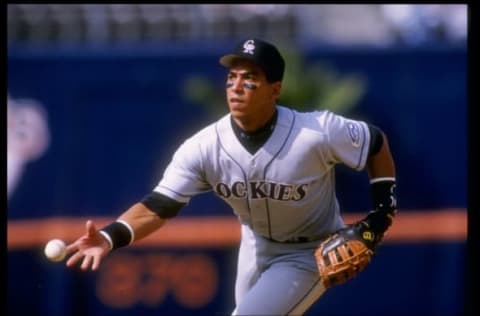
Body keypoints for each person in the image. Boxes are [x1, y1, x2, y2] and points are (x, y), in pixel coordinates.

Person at [65, 38, 397, 315]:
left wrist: (381, 216)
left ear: (275, 88)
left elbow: (375, 143)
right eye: (231, 77)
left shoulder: (315, 132)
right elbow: (158, 206)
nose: (236, 85)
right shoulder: (205, 146)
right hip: (255, 242)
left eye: (249, 77)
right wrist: (109, 237)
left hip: (309, 250)